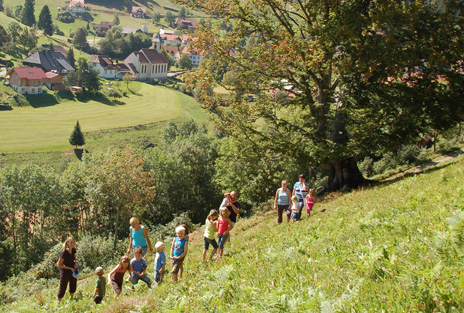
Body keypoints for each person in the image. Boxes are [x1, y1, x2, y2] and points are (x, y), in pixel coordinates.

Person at [56, 237, 78, 302]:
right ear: (67, 243)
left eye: (73, 242)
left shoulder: (73, 250)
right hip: (65, 271)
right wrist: (70, 268)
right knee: (63, 286)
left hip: (73, 270)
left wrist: (75, 263)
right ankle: (59, 301)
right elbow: (59, 264)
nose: (72, 244)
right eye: (71, 242)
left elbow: (74, 258)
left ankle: (72, 298)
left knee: (73, 284)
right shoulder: (64, 253)